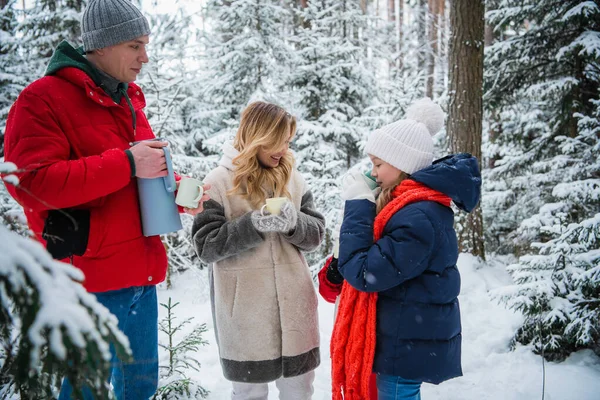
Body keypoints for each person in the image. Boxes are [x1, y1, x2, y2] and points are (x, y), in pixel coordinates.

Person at [3, 0, 208, 398]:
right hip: (88, 278)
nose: (144, 58)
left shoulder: (126, 98)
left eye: (146, 45)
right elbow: (30, 183)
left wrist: (180, 191)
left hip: (141, 274)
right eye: (135, 46)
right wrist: (128, 164)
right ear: (101, 45)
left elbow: (144, 168)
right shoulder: (41, 98)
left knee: (141, 388)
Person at [328, 98, 481, 400]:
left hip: (405, 341)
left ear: (402, 165)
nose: (374, 173)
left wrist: (358, 206)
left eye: (378, 164)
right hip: (404, 335)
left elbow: (364, 272)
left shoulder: (418, 215)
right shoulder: (412, 207)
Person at [191, 101, 325, 400]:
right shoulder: (217, 182)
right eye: (277, 143)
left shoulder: (294, 178)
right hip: (245, 314)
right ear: (257, 138)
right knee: (250, 394)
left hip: (295, 308)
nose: (284, 151)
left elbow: (315, 235)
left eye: (288, 142)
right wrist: (253, 224)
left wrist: (294, 222)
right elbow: (206, 246)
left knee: (300, 391)